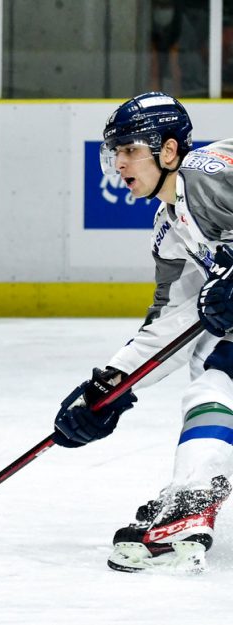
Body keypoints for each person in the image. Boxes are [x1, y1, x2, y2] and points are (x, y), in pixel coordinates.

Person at [52, 91, 233, 573]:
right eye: (115, 151)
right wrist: (109, 386)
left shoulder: (210, 172)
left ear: (169, 151)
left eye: (131, 148)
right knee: (215, 365)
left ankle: (191, 498)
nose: (119, 161)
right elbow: (172, 318)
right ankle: (192, 496)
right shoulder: (171, 226)